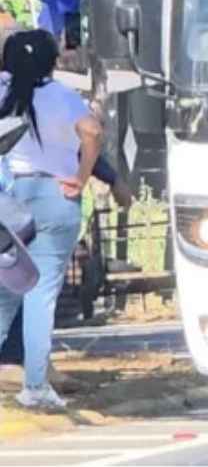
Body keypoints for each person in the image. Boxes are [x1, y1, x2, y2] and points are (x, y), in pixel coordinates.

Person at [0, 29, 101, 409]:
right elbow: (92, 132)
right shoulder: (63, 95)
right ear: (51, 61)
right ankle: (36, 385)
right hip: (58, 196)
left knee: (6, 294)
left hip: (14, 198)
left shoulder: (4, 93)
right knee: (41, 294)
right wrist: (81, 176)